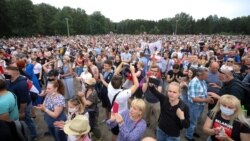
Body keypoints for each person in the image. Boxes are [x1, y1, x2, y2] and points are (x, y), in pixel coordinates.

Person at [106, 62, 139, 141]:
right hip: (122, 115)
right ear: (121, 84)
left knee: (114, 134)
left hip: (114, 111)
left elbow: (115, 72)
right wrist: (133, 72)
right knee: (122, 133)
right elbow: (136, 85)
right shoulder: (123, 94)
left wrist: (121, 64)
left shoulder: (110, 87)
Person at [5, 65, 37, 140]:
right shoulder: (10, 80)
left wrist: (21, 112)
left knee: (27, 120)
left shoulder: (21, 84)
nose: (5, 73)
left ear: (13, 73)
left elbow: (24, 101)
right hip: (18, 104)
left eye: (7, 72)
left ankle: (33, 135)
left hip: (24, 106)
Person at [185, 67, 214, 141]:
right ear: (200, 75)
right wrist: (206, 100)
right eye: (206, 75)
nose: (208, 77)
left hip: (200, 105)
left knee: (195, 120)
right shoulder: (194, 82)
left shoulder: (202, 80)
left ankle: (192, 132)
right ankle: (188, 136)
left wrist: (208, 97)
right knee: (192, 121)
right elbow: (194, 99)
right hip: (194, 106)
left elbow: (203, 92)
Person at [142, 64, 163, 130]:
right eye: (152, 70)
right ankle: (147, 122)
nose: (153, 72)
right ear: (149, 70)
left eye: (155, 71)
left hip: (156, 102)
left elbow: (159, 93)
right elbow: (143, 90)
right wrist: (147, 81)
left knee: (157, 116)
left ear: (157, 72)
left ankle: (157, 128)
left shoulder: (160, 80)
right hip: (147, 100)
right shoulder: (146, 78)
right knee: (146, 114)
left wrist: (153, 85)